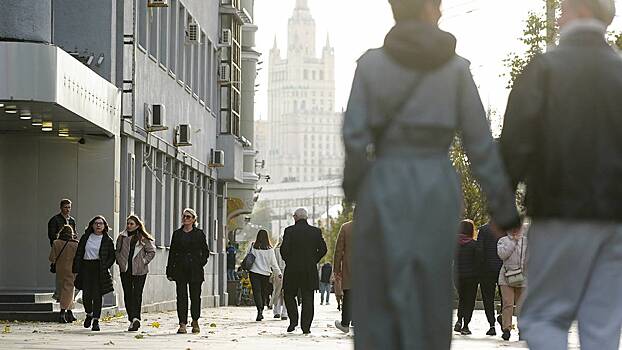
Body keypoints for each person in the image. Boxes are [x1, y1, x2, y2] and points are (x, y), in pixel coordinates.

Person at [341, 0, 521, 347]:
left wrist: (356, 182)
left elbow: (354, 133)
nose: (439, 12)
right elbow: (479, 142)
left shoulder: (370, 65)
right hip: (436, 180)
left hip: (385, 179)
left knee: (379, 283)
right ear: (426, 10)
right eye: (437, 5)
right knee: (433, 283)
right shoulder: (456, 69)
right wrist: (502, 205)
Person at [500, 1, 622, 349]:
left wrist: (503, 205)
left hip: (559, 212)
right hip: (616, 220)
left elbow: (514, 144)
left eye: (565, 7)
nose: (558, 15)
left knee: (544, 317)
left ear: (583, 9)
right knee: (602, 325)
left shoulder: (544, 69)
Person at [281, 208, 328, 335]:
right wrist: (314, 260)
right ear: (306, 217)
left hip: (292, 269)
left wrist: (289, 260)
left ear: (295, 217)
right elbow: (323, 249)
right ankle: (306, 327)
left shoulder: (289, 231)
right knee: (308, 297)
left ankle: (293, 320)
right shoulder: (315, 231)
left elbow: (283, 250)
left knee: (289, 295)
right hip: (309, 269)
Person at [166, 208, 209, 334]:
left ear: (194, 219)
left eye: (188, 217)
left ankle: (195, 321)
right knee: (181, 297)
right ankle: (182, 323)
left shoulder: (199, 234)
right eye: (184, 216)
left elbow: (205, 251)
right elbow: (172, 252)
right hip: (180, 269)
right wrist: (169, 270)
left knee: (195, 297)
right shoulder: (177, 234)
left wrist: (200, 262)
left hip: (195, 269)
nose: (185, 219)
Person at [72, 216, 115, 332]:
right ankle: (89, 314)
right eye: (96, 223)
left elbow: (112, 256)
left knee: (97, 295)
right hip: (86, 267)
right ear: (92, 225)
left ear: (105, 226)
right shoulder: (86, 237)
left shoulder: (107, 240)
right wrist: (76, 269)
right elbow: (79, 253)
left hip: (99, 268)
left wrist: (105, 266)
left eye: (101, 223)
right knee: (86, 295)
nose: (98, 225)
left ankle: (96, 320)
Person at [115, 215, 156, 332]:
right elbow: (117, 251)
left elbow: (151, 252)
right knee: (128, 294)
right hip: (126, 270)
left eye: (131, 224)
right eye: (128, 223)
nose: (129, 226)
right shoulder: (122, 237)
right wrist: (120, 262)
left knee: (137, 294)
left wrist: (144, 261)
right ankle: (132, 319)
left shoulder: (142, 238)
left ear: (137, 225)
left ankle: (136, 318)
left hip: (140, 271)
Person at [497, 224, 528, 341]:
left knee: (522, 305)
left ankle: (522, 329)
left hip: (523, 276)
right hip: (506, 276)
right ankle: (506, 329)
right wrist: (513, 241)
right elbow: (502, 255)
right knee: (508, 303)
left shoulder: (526, 241)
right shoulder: (503, 240)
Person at [453, 220, 482, 336]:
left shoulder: (454, 244)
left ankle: (459, 321)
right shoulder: (474, 245)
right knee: (469, 302)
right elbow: (479, 262)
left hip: (458, 277)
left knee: (462, 299)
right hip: (472, 278)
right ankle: (465, 326)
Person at [247, 229, 281, 321]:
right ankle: (261, 308)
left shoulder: (253, 246)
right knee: (263, 292)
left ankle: (259, 310)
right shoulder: (270, 249)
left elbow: (248, 257)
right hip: (265, 274)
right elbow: (274, 263)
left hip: (254, 273)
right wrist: (279, 273)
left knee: (256, 291)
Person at [478, 222, 504, 335]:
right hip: (503, 268)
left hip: (486, 269)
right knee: (505, 297)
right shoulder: (505, 228)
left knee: (488, 299)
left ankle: (491, 325)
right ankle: (503, 317)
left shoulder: (483, 229)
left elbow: (480, 249)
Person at [48, 199, 76, 302]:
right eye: (66, 207)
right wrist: (58, 245)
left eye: (69, 207)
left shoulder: (72, 220)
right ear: (61, 208)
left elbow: (74, 233)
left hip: (70, 251)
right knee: (61, 275)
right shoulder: (55, 220)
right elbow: (51, 236)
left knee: (71, 276)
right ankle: (59, 296)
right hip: (60, 250)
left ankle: (67, 299)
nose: (68, 209)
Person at [49, 225, 78, 323]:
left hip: (60, 270)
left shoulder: (56, 243)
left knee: (63, 290)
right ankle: (62, 312)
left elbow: (52, 258)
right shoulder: (75, 244)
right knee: (69, 291)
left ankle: (69, 313)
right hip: (71, 269)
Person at [333, 219, 353, 333]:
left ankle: (345, 324)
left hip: (350, 267)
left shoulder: (346, 227)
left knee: (349, 295)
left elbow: (338, 250)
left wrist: (336, 269)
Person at [272, 236, 288, 320]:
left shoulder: (275, 250)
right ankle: (284, 313)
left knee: (277, 292)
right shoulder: (289, 249)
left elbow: (273, 263)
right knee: (287, 293)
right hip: (287, 272)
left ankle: (276, 311)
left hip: (277, 273)